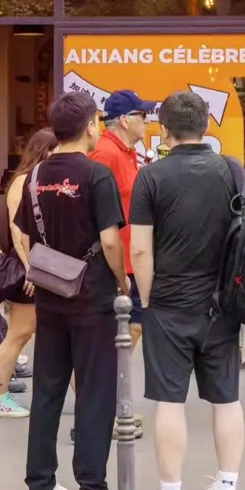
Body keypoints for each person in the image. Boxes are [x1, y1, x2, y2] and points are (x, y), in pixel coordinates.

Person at [132, 91, 245, 490]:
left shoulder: (151, 177)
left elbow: (141, 252)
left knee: (169, 400)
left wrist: (146, 298)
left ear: (164, 130)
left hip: (169, 301)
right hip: (223, 302)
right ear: (205, 126)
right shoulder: (230, 171)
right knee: (226, 398)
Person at [20, 91, 128, 490]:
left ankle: (41, 486)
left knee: (47, 388)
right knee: (95, 390)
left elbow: (28, 236)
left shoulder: (36, 175)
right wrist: (121, 280)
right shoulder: (96, 176)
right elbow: (108, 241)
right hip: (92, 296)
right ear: (90, 126)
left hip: (50, 293)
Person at [0, 128, 57, 417]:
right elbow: (20, 232)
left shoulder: (33, 180)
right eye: (55, 150)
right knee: (19, 333)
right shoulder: (23, 182)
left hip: (34, 269)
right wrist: (32, 270)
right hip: (26, 270)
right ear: (44, 151)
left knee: (43, 333)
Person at [90, 90, 156, 349]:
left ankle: (112, 385)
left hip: (130, 257)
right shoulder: (105, 154)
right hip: (118, 260)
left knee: (135, 326)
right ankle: (110, 384)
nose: (147, 121)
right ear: (125, 120)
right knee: (129, 328)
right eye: (143, 115)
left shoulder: (124, 152)